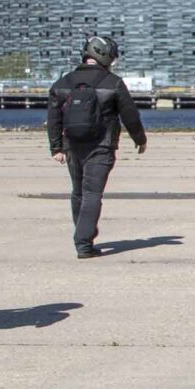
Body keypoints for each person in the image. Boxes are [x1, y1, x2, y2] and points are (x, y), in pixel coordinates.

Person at [47, 34, 146, 258]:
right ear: (105, 57)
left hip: (71, 144)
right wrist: (139, 139)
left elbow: (53, 118)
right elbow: (130, 115)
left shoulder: (63, 83)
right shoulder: (113, 83)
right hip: (101, 145)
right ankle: (83, 242)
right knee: (92, 193)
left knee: (78, 192)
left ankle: (83, 233)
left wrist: (56, 148)